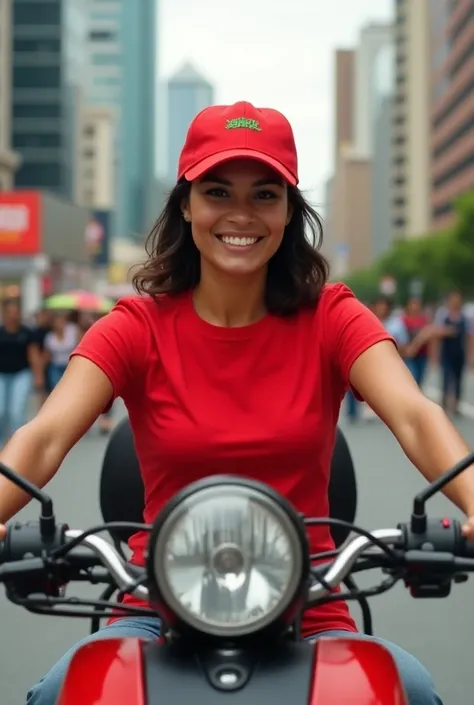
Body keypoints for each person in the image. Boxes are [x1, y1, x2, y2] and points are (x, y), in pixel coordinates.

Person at [1, 101, 474, 705]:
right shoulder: (135, 325)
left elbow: (415, 413)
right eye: (219, 192)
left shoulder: (331, 314)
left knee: (407, 690)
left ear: (288, 212)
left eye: (265, 195)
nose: (241, 215)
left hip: (313, 607)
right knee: (62, 693)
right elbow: (44, 434)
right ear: (187, 205)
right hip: (153, 608)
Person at [0, 299, 43, 448]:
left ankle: (14, 446)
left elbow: (33, 355)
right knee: (1, 411)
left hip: (21, 375)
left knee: (16, 412)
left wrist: (38, 376)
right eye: (9, 313)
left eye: (15, 313)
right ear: (4, 314)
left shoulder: (27, 333)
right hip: (2, 376)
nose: (13, 316)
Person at [434, 291, 473, 415]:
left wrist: (471, 355)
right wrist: (446, 332)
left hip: (460, 352)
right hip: (446, 352)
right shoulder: (443, 315)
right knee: (446, 377)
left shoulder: (465, 317)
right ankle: (445, 403)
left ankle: (456, 404)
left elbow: (470, 336)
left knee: (458, 378)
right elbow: (436, 333)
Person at [43, 313, 78, 390]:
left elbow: (79, 344)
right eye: (57, 321)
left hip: (70, 365)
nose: (60, 323)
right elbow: (47, 354)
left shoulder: (73, 330)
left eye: (62, 321)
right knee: (56, 388)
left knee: (70, 388)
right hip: (56, 366)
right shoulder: (50, 337)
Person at [402, 297, 430, 387]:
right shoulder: (403, 320)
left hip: (422, 354)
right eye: (413, 304)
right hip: (408, 355)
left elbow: (429, 336)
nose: (415, 307)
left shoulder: (424, 320)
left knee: (420, 378)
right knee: (412, 376)